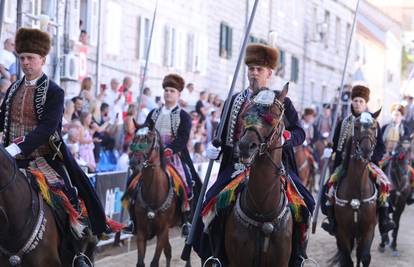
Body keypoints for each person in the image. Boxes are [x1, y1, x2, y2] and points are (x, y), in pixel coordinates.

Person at [193, 43, 314, 266]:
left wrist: (286, 137)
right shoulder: (234, 101)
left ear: (269, 73)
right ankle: (214, 256)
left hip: (275, 167)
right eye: (251, 69)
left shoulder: (282, 102)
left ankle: (297, 255)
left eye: (259, 69)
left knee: (305, 203)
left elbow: (299, 132)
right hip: (236, 167)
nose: (254, 73)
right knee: (209, 204)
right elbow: (222, 132)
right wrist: (215, 147)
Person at [0, 28, 107, 266]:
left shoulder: (55, 92)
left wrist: (16, 149)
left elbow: (48, 128)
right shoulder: (13, 90)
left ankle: (78, 252)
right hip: (9, 161)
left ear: (43, 60)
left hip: (43, 159)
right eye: (22, 57)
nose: (26, 62)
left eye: (31, 58)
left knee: (69, 198)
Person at [125, 74, 201, 236]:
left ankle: (186, 218)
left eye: (172, 91)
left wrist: (168, 151)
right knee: (132, 180)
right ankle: (132, 219)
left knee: (187, 179)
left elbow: (182, 138)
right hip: (152, 154)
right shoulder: (153, 113)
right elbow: (145, 131)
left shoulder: (184, 116)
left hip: (174, 155)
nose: (168, 93)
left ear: (178, 94)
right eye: (166, 90)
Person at [321, 85, 395, 236]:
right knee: (328, 186)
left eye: (361, 101)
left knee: (385, 183)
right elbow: (336, 143)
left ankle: (384, 220)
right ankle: (331, 220)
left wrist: (372, 158)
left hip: (368, 164)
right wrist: (330, 148)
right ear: (352, 102)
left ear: (365, 103)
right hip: (344, 165)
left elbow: (380, 146)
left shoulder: (373, 122)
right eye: (355, 100)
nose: (358, 103)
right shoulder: (343, 122)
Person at [381, 104, 414, 204]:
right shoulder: (385, 127)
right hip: (385, 156)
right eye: (394, 114)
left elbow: (406, 145)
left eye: (398, 115)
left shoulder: (406, 129)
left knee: (412, 173)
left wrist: (398, 153)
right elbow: (380, 143)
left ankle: (409, 195)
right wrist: (385, 154)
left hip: (400, 157)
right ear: (391, 115)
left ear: (402, 116)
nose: (396, 117)